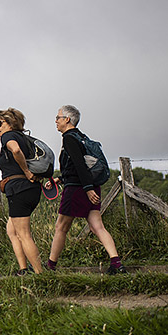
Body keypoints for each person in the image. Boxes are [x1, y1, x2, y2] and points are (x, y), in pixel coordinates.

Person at [43, 105, 127, 274]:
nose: (55, 120)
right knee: (98, 227)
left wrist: (87, 189)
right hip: (91, 186)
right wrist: (60, 179)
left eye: (58, 117)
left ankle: (50, 266)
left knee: (61, 227)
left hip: (78, 189)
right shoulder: (81, 136)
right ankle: (116, 264)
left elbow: (80, 166)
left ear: (67, 120)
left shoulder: (69, 138)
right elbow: (77, 166)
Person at [0, 108, 44, 275]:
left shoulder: (9, 137)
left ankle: (39, 274)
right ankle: (23, 269)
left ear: (10, 123)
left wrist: (26, 171)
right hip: (30, 189)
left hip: (19, 189)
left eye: (0, 123)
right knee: (12, 230)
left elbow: (15, 150)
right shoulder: (25, 138)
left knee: (24, 234)